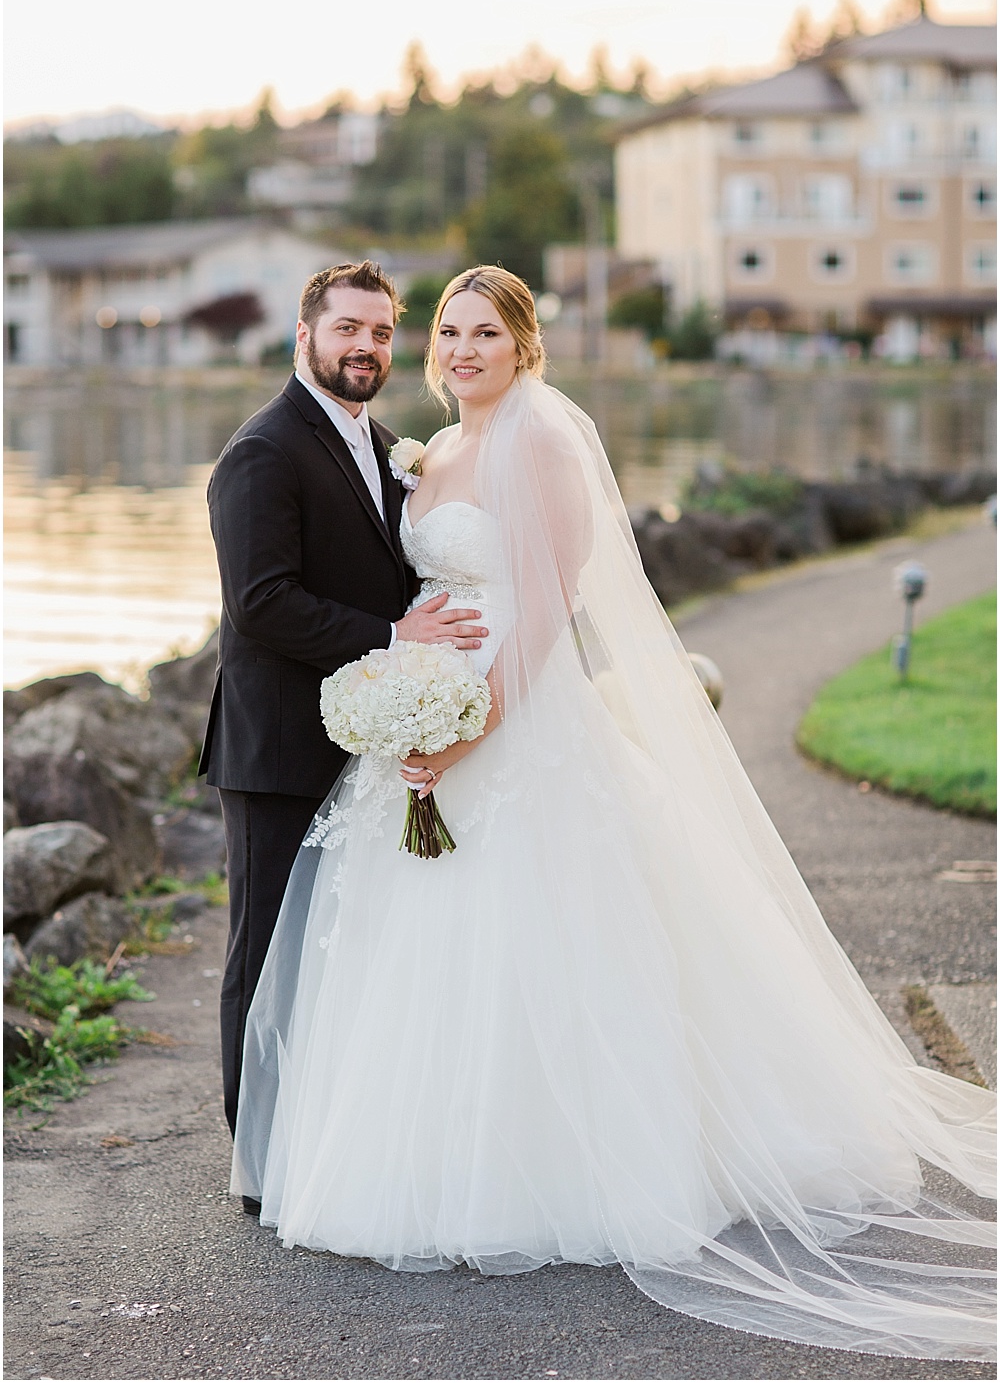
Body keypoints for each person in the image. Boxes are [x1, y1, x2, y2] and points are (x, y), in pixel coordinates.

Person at [231, 266, 995, 1360]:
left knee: (550, 930)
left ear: (523, 346)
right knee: (426, 944)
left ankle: (571, 1168)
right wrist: (409, 702)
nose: (461, 350)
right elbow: (412, 596)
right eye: (447, 331)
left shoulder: (542, 442)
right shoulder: (429, 452)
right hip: (423, 714)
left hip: (517, 718)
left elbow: (544, 606)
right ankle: (424, 1155)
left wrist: (471, 725)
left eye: (484, 333)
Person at [200, 260, 490, 1150]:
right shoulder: (262, 451)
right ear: (305, 336)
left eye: (380, 332)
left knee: (338, 948)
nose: (365, 347)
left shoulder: (390, 446)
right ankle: (257, 1153)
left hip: (365, 741)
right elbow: (262, 601)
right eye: (347, 329)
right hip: (279, 747)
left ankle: (318, 1146)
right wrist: (397, 637)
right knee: (267, 953)